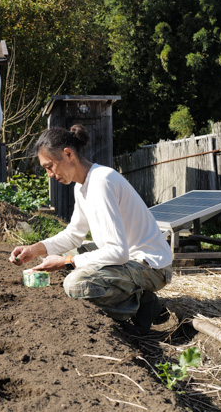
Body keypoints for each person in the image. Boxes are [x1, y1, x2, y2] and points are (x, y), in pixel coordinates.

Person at [9, 124, 173, 335]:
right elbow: (73, 234)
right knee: (69, 255)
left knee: (75, 284)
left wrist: (66, 262)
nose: (49, 174)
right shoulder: (83, 186)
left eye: (49, 166)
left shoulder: (101, 182)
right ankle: (136, 299)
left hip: (152, 267)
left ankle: (141, 304)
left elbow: (117, 252)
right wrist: (34, 250)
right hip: (130, 260)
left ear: (68, 154)